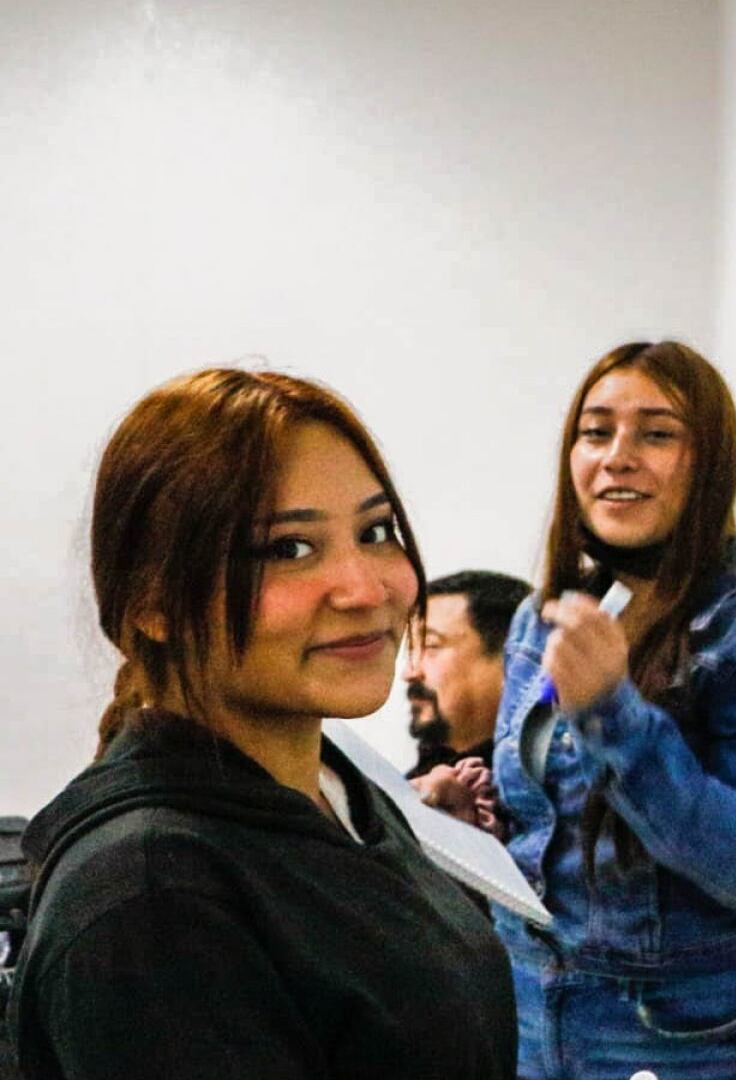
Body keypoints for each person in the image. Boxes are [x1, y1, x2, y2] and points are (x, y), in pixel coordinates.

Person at [3, 368, 516, 1079]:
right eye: (288, 549)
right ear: (152, 603)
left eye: (375, 531)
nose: (365, 589)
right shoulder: (155, 898)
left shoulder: (332, 789)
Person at [493, 341, 736, 1080]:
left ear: (708, 462)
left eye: (657, 433)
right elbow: (544, 819)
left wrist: (612, 714)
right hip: (527, 1005)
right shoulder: (547, 613)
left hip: (679, 1035)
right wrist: (473, 811)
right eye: (596, 431)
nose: (618, 456)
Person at [404, 571, 533, 831]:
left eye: (431, 645)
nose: (409, 672)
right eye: (410, 650)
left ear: (511, 663)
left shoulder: (549, 798)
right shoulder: (402, 783)